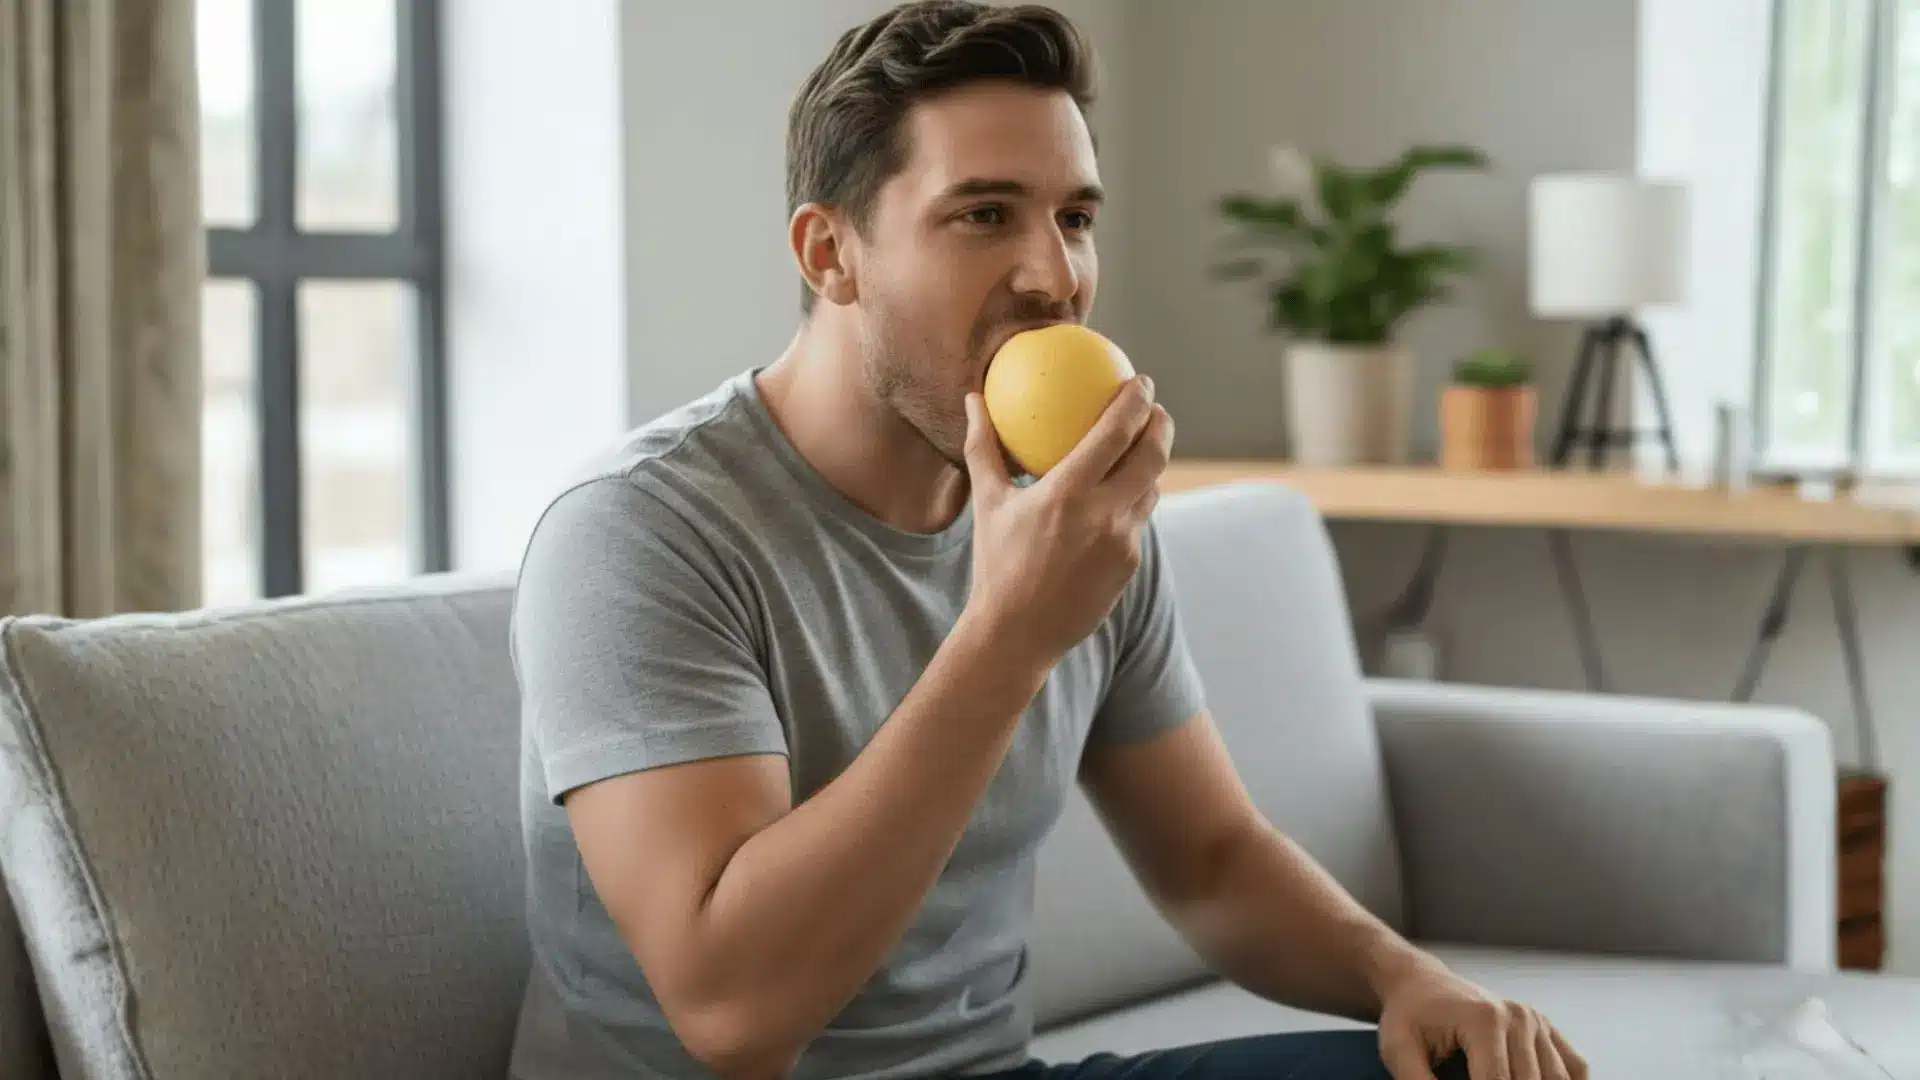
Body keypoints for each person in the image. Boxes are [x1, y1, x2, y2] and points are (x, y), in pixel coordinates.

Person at [506, 4, 1588, 1080]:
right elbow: (733, 1012)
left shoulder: (1073, 513)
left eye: (1074, 217)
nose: (1054, 276)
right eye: (984, 215)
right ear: (829, 252)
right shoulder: (641, 534)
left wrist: (1407, 978)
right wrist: (1011, 632)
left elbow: (1209, 859)